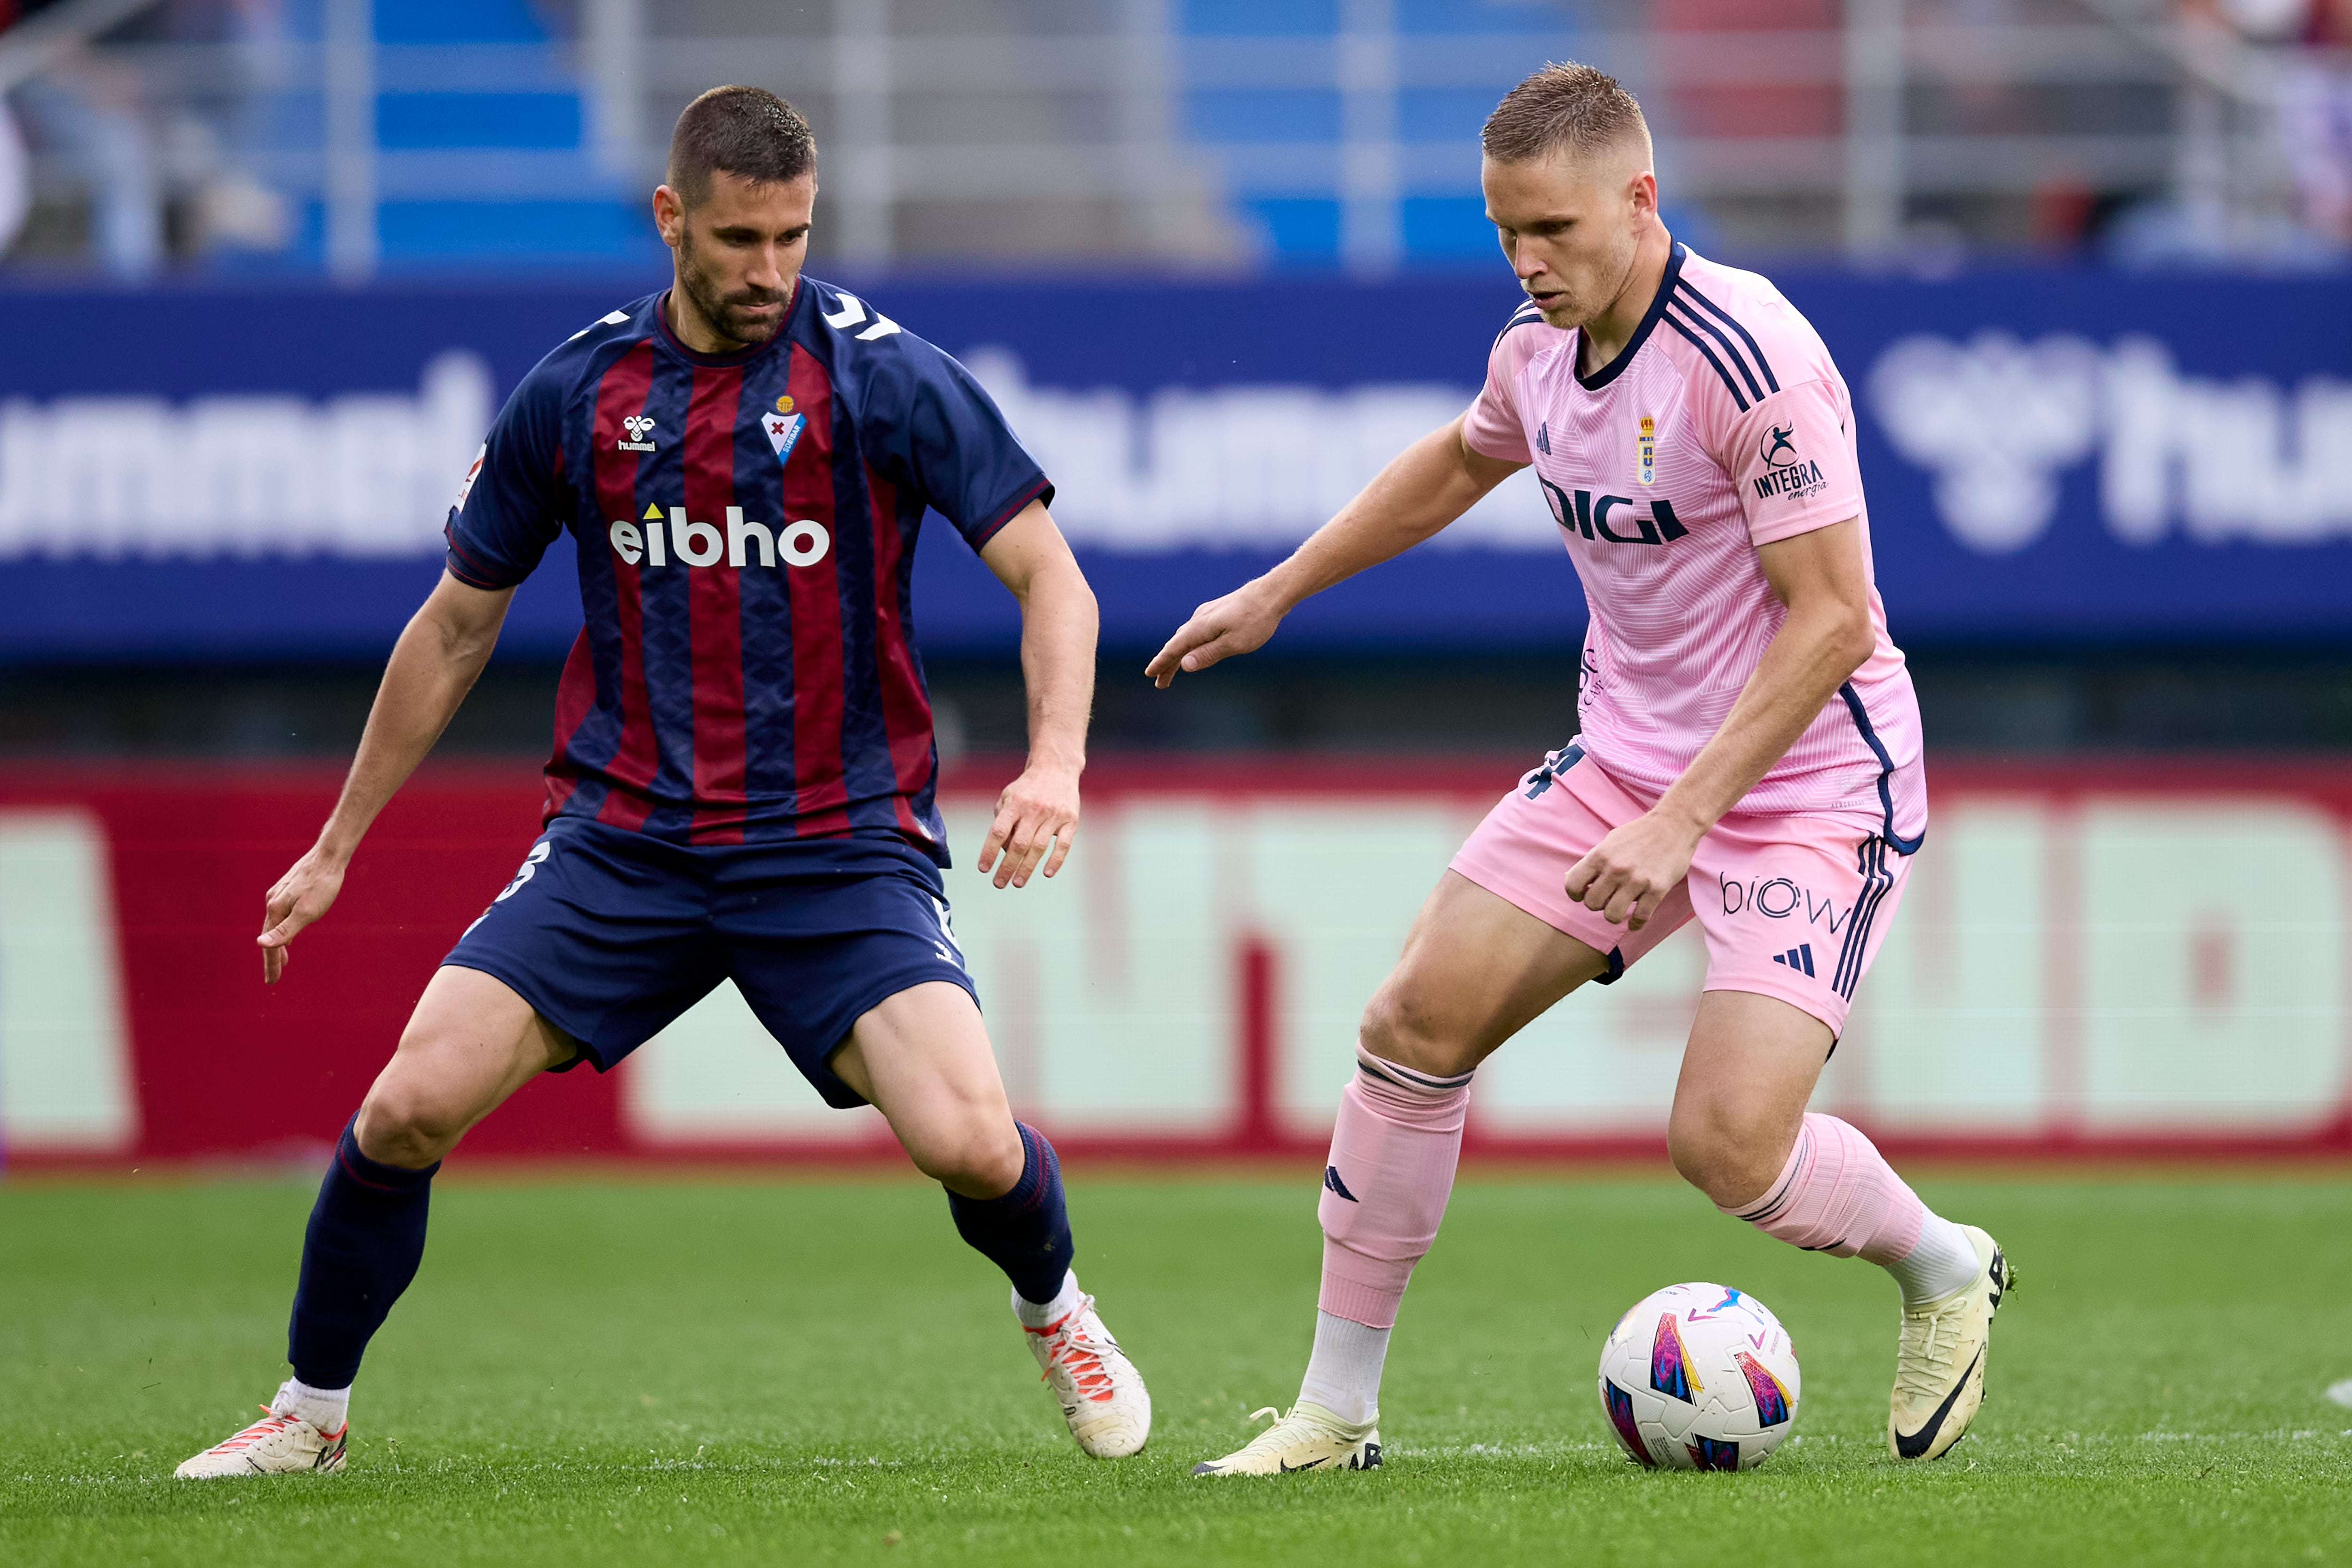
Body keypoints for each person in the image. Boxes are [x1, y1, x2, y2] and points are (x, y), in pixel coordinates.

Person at [175, 85, 1149, 1479]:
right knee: (405, 1108)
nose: (770, 273)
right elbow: (457, 622)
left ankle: (1057, 1309)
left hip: (836, 845)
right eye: (742, 239)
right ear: (672, 217)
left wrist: (1055, 762)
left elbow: (1051, 574)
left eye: (795, 238)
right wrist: (337, 846)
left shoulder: (881, 375)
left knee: (972, 1145)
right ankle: (307, 1418)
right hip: (623, 842)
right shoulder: (578, 392)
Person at [1155, 62, 2011, 1477]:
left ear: (1641, 200)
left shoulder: (1755, 359)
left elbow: (1838, 618)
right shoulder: (1534, 348)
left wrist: (1688, 820)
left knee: (1730, 1149)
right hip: (1628, 762)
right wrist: (1280, 591)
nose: (1526, 263)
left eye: (1551, 230)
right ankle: (1333, 1414)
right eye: (1505, 232)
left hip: (1808, 783)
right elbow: (1458, 458)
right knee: (1413, 1025)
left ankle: (1943, 1263)